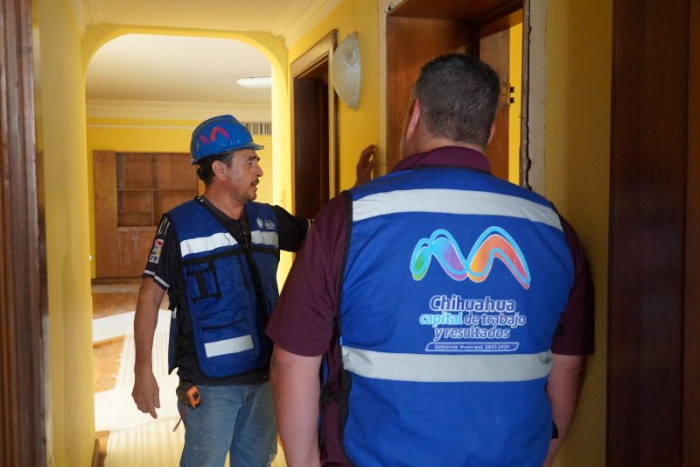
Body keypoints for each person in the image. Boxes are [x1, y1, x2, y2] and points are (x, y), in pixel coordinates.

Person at [267, 54, 594, 467]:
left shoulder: (348, 219)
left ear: (414, 115)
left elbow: (291, 362)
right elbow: (568, 368)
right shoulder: (553, 229)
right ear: (491, 131)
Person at [131, 114, 373, 466]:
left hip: (265, 376)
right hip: (210, 383)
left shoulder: (268, 219)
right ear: (220, 169)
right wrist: (142, 370)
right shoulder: (180, 225)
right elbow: (149, 296)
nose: (259, 170)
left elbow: (327, 237)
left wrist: (358, 191)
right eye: (250, 162)